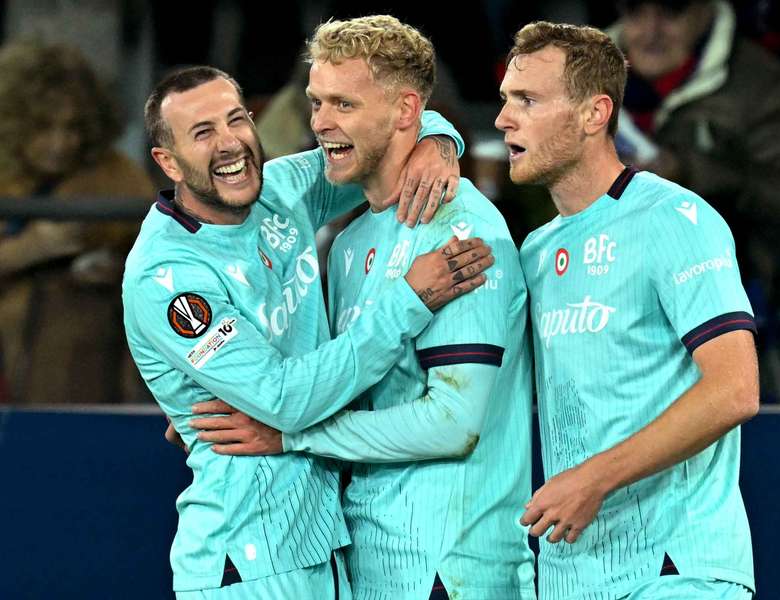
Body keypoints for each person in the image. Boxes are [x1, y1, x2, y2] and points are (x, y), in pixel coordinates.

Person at [188, 15, 536, 600]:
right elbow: (340, 378)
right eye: (316, 102)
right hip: (365, 563)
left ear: (405, 112)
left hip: (452, 567)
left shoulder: (462, 233)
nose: (321, 123)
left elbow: (453, 425)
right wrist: (221, 400)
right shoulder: (347, 244)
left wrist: (289, 435)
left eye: (343, 104)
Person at [123, 64, 492, 598]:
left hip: (319, 543)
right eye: (203, 133)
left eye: (237, 120)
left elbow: (375, 143)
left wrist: (439, 141)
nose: (231, 144)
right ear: (168, 161)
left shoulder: (279, 190)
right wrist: (409, 300)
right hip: (248, 557)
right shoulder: (167, 276)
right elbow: (283, 399)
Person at [496, 21, 759, 599]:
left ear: (595, 114)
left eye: (528, 101)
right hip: (571, 577)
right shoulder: (535, 253)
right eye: (506, 101)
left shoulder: (674, 219)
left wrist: (594, 479)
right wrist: (442, 141)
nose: (504, 120)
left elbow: (735, 389)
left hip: (675, 572)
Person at [608, 0, 780, 400]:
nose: (650, 30)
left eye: (671, 11)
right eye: (634, 10)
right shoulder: (576, 74)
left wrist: (692, 172)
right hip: (598, 299)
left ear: (708, 9)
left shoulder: (762, 85)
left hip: (727, 302)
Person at [0, 39, 155, 404]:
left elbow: (162, 261)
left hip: (82, 371)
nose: (60, 142)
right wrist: (31, 247)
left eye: (72, 127)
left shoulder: (118, 178)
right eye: (43, 127)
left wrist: (118, 269)